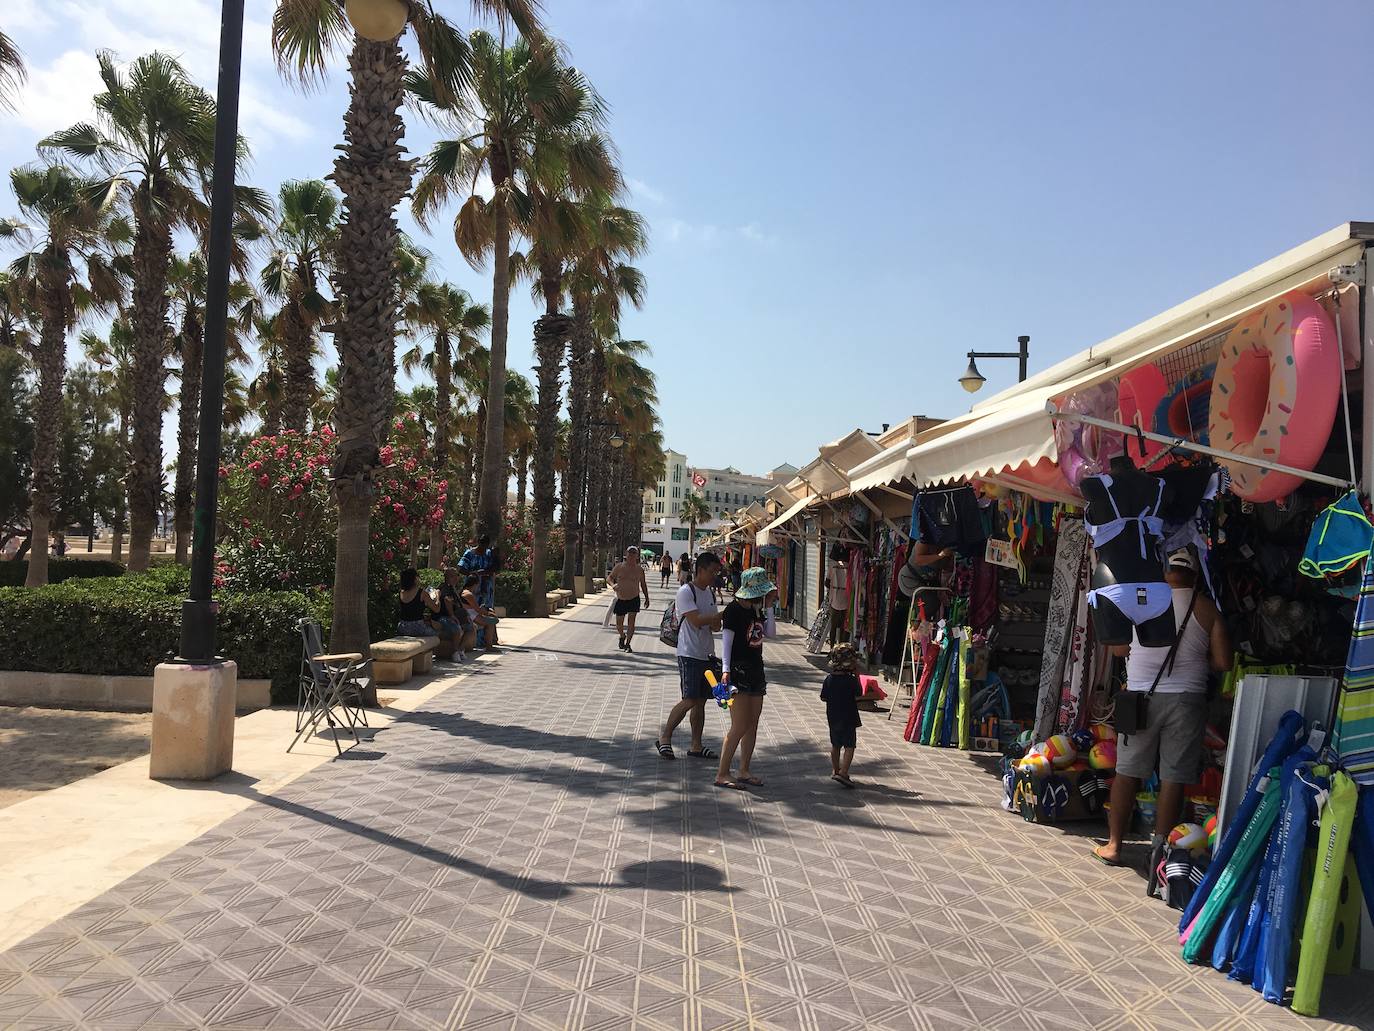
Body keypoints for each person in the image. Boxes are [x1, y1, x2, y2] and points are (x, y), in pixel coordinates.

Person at [1093, 548, 1231, 871]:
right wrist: (1198, 660)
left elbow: (1118, 649)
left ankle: (1114, 846)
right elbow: (1224, 662)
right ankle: (1159, 852)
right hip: (1187, 699)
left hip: (1140, 695)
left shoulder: (1143, 599)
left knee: (1127, 771)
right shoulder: (1207, 608)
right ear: (1196, 575)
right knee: (1173, 777)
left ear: (1165, 570)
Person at [657, 551, 724, 760]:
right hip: (689, 653)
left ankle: (696, 745)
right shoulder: (686, 592)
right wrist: (719, 616)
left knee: (701, 700)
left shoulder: (709, 593)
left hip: (707, 654)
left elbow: (714, 626)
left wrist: (716, 620)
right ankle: (664, 738)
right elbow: (695, 620)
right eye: (712, 571)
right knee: (690, 699)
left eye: (717, 572)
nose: (715, 576)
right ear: (701, 570)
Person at [715, 567, 779, 789]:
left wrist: (769, 608)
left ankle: (743, 770)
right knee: (739, 724)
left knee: (752, 723)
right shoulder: (732, 611)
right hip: (737, 671)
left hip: (756, 670)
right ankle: (722, 773)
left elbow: (770, 634)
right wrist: (725, 670)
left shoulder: (757, 609)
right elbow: (726, 643)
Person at [821, 643, 863, 786]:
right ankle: (844, 773)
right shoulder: (851, 681)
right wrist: (857, 676)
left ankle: (835, 770)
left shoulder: (829, 679)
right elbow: (859, 695)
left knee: (835, 745)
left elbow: (823, 697)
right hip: (849, 718)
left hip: (833, 718)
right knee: (850, 746)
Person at [608, 546, 651, 652]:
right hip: (621, 598)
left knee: (631, 622)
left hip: (634, 598)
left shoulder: (639, 570)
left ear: (637, 556)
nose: (631, 555)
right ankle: (622, 636)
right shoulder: (619, 567)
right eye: (630, 553)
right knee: (619, 624)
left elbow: (643, 584)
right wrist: (613, 585)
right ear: (626, 554)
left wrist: (647, 598)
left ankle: (628, 644)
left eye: (634, 553)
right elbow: (609, 578)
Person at [459, 534, 496, 644]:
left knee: (487, 610)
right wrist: (473, 574)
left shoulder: (489, 553)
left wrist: (486, 572)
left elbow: (494, 567)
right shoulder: (469, 553)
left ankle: (487, 639)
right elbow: (461, 568)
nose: (483, 549)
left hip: (486, 587)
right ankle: (476, 640)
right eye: (482, 546)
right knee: (475, 610)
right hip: (473, 586)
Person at [436, 567, 475, 660]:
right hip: (444, 616)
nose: (456, 578)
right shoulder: (444, 587)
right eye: (452, 576)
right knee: (457, 629)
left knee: (471, 628)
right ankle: (454, 651)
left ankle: (460, 649)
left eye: (456, 575)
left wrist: (466, 614)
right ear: (446, 577)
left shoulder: (453, 588)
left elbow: (459, 604)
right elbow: (447, 600)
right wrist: (452, 615)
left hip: (457, 615)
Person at [397, 568, 441, 637]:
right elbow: (436, 609)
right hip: (418, 628)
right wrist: (438, 596)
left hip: (402, 626)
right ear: (415, 579)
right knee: (438, 634)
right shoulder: (421, 592)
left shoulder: (401, 592)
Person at [461, 574, 501, 649]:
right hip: (472, 616)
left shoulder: (464, 592)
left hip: (471, 615)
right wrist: (490, 613)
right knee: (491, 622)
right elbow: (478, 610)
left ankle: (488, 644)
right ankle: (489, 646)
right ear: (475, 584)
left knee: (490, 620)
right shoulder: (468, 594)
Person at [826, 543, 850, 648]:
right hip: (846, 597)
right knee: (844, 625)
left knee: (834, 625)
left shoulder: (832, 566)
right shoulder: (850, 566)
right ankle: (842, 646)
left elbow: (826, 582)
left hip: (835, 597)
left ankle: (832, 647)